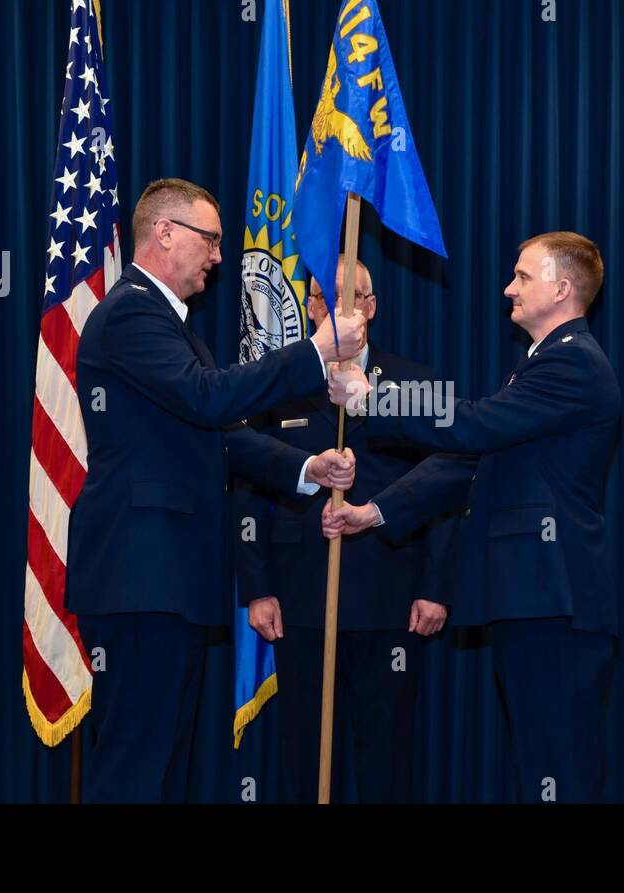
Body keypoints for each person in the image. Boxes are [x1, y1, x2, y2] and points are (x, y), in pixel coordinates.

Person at [65, 178, 364, 802]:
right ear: (165, 233)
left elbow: (217, 435)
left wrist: (307, 468)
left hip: (165, 581)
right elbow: (209, 399)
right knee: (135, 771)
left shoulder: (171, 327)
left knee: (162, 769)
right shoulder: (129, 313)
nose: (220, 256)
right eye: (212, 240)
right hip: (140, 575)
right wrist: (313, 353)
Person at [324, 232, 620, 803]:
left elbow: (473, 426)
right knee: (537, 765)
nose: (508, 287)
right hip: (534, 597)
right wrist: (377, 512)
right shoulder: (543, 365)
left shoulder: (573, 365)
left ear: (561, 289)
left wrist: (373, 399)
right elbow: (470, 461)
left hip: (555, 598)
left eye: (523, 277)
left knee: (558, 764)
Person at [236, 256, 452, 803]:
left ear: (371, 308)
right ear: (307, 308)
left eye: (345, 296)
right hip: (299, 596)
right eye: (318, 298)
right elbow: (246, 489)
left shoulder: (416, 384)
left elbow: (444, 491)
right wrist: (257, 587)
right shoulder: (276, 385)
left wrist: (435, 586)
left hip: (390, 596)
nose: (330, 308)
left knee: (385, 754)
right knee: (303, 753)